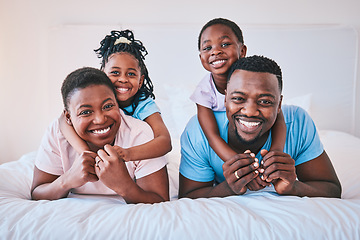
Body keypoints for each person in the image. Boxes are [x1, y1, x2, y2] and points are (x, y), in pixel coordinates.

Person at [179, 55, 341, 199]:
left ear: (279, 105)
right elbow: (188, 196)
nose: (250, 112)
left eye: (265, 101)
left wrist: (293, 187)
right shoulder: (199, 131)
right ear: (225, 99)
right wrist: (228, 188)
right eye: (238, 98)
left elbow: (331, 189)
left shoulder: (298, 122)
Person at [31, 67, 169, 203]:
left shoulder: (139, 133)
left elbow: (160, 200)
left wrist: (124, 186)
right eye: (85, 112)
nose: (100, 119)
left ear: (117, 103)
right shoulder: (57, 133)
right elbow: (37, 192)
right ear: (68, 117)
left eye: (108, 106)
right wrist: (67, 180)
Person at [59, 29, 171, 162]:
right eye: (115, 73)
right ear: (103, 75)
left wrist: (127, 154)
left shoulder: (144, 104)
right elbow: (62, 121)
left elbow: (164, 141)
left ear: (140, 81)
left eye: (131, 74)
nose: (123, 79)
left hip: (140, 159)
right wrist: (88, 154)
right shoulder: (94, 99)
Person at [191, 18, 287, 170]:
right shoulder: (203, 91)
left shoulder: (256, 75)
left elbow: (278, 116)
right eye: (207, 48)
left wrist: (275, 153)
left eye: (225, 44)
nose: (215, 51)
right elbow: (212, 136)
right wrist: (242, 166)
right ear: (201, 57)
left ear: (242, 51)